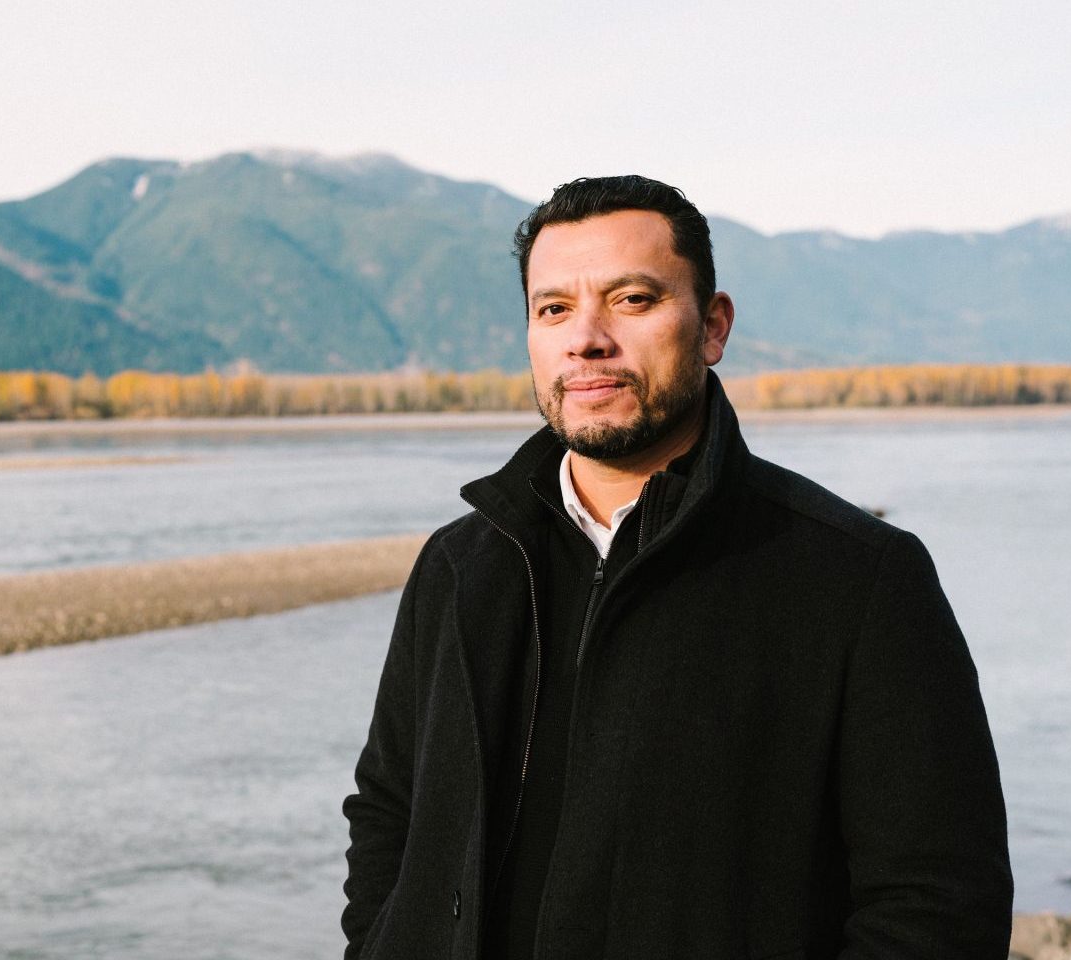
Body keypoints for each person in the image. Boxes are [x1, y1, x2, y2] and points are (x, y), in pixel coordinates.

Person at [341, 175, 1012, 959]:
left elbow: (938, 903)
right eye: (553, 308)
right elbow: (389, 809)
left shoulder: (858, 578)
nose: (586, 338)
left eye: (631, 300)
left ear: (713, 327)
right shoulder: (458, 567)